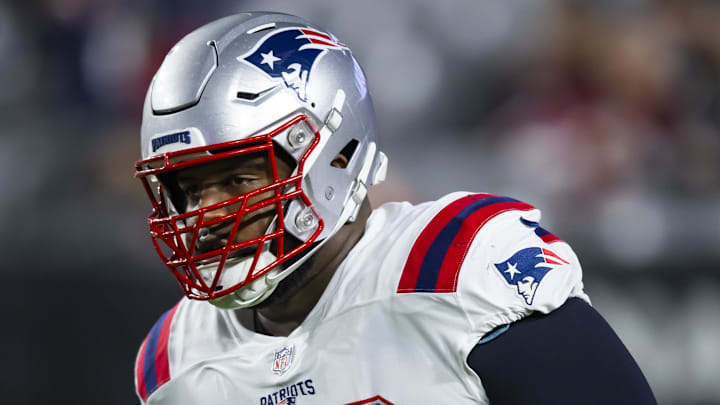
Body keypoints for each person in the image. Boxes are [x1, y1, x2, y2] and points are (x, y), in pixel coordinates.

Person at [133, 12, 657, 405]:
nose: (208, 213)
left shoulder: (455, 274)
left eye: (237, 178)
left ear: (333, 156)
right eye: (187, 189)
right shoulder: (177, 358)